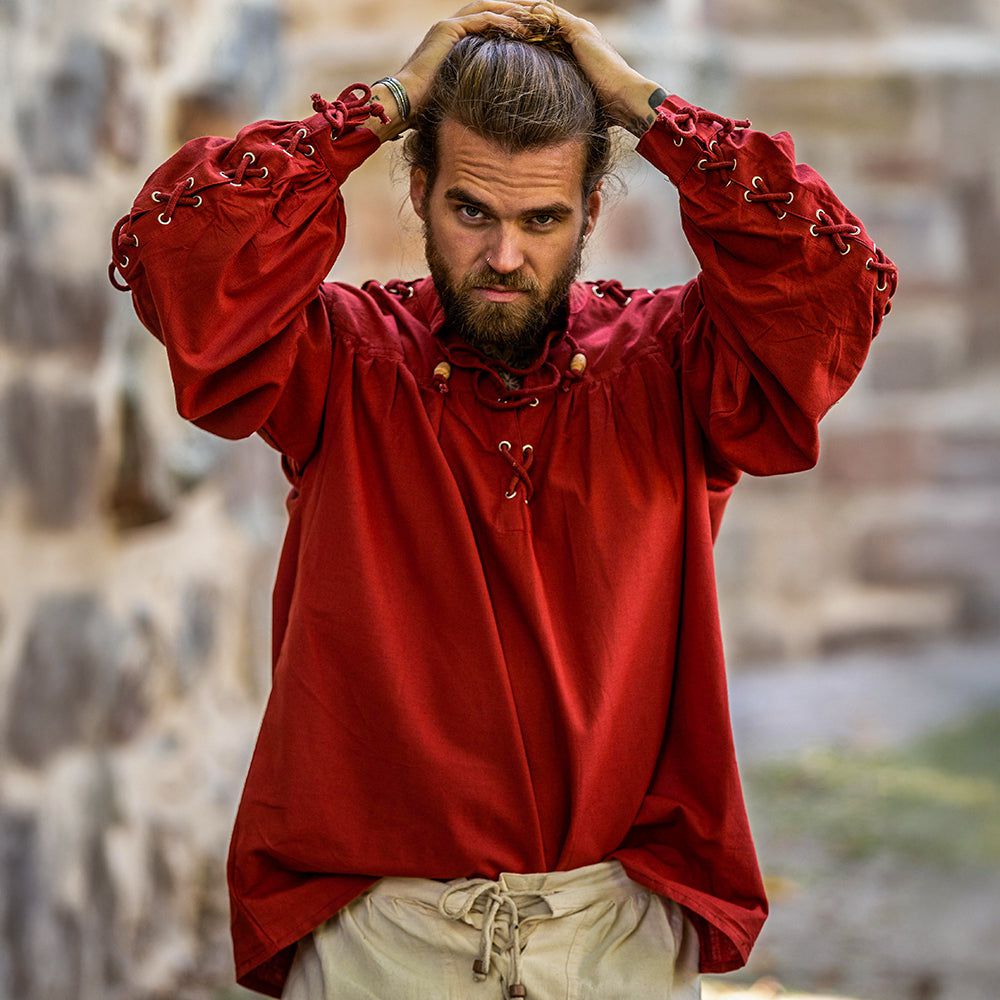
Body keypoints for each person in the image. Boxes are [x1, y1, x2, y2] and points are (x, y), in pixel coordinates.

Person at [108, 2, 899, 997]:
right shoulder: (345, 362)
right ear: (420, 188)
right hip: (379, 945)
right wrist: (382, 103)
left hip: (615, 937)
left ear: (592, 212)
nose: (506, 258)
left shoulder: (672, 367)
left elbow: (832, 283)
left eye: (543, 219)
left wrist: (646, 111)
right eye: (472, 211)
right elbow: (181, 254)